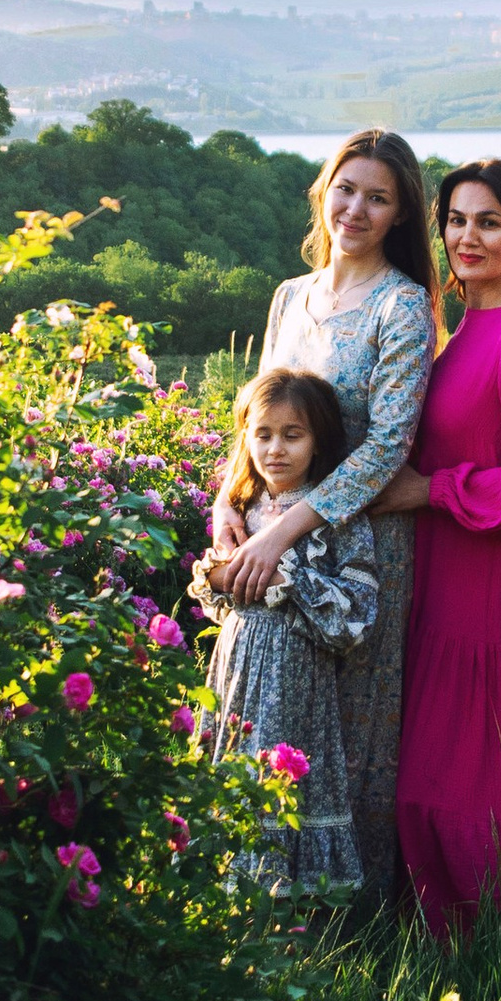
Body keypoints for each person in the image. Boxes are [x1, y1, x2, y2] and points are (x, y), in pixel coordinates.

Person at [213, 127, 438, 899]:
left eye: (379, 198)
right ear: (324, 189)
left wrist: (284, 530)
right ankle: (262, 886)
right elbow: (255, 415)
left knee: (351, 728)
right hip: (270, 533)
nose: (357, 208)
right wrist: (228, 506)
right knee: (272, 711)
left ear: (401, 214)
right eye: (348, 189)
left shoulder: (404, 307)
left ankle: (358, 911)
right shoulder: (290, 296)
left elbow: (386, 448)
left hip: (357, 546)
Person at [379, 159, 501, 935]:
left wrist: (430, 491)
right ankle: (450, 936)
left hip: (491, 596)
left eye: (490, 222)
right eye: (457, 220)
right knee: (435, 778)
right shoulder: (464, 327)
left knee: (467, 784)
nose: (468, 236)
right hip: (442, 586)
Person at [190, 367, 381, 889]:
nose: (276, 449)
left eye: (293, 435)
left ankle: (283, 902)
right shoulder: (241, 511)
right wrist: (221, 572)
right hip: (237, 665)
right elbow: (215, 597)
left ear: (318, 443)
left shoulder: (337, 518)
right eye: (264, 434)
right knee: (234, 765)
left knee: (279, 774)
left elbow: (356, 614)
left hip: (296, 676)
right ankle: (225, 893)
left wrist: (289, 577)